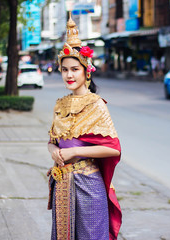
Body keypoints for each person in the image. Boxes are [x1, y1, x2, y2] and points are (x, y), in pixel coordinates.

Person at [47, 13, 122, 240]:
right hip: (62, 184)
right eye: (64, 69)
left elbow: (113, 149)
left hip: (88, 186)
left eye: (74, 69)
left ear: (86, 71)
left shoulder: (96, 104)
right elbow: (52, 141)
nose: (69, 75)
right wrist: (54, 151)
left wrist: (76, 151)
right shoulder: (60, 104)